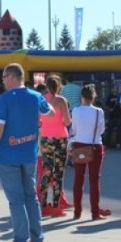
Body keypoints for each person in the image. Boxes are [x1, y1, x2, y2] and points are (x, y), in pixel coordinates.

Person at [0, 63, 54, 242]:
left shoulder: (5, 99)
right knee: (31, 197)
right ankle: (37, 240)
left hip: (9, 156)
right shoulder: (36, 96)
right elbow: (51, 112)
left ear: (12, 77)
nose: (3, 81)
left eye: (4, 78)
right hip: (30, 154)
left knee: (16, 200)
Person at [71, 84, 109, 221]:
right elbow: (102, 130)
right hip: (95, 146)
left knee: (78, 179)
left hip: (79, 145)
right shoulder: (99, 111)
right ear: (93, 97)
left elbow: (73, 129)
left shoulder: (75, 110)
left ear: (81, 96)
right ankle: (95, 213)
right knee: (94, 180)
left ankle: (77, 212)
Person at [39, 75, 72, 217]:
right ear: (58, 86)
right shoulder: (61, 100)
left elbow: (38, 120)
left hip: (46, 138)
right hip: (60, 138)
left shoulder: (41, 100)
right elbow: (67, 121)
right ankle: (57, 207)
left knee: (47, 170)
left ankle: (44, 205)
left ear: (46, 86)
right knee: (58, 172)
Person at [103, 84, 121, 148]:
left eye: (116, 88)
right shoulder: (109, 96)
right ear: (112, 89)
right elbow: (106, 105)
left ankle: (118, 144)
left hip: (119, 116)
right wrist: (109, 109)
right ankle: (107, 144)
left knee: (119, 131)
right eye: (114, 88)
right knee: (109, 131)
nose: (115, 89)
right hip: (111, 116)